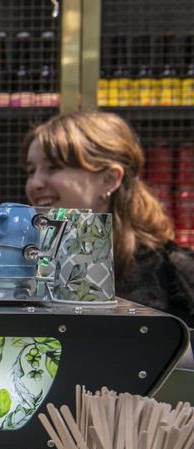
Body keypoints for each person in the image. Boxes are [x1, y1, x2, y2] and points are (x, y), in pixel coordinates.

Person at [23, 110, 194, 328]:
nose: (34, 183)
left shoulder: (173, 273)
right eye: (30, 170)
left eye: (53, 167)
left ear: (109, 179)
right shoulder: (27, 264)